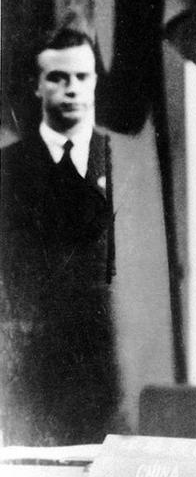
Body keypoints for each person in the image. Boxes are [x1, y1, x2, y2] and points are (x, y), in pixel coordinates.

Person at [0, 22, 119, 445]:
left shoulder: (118, 159)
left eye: (82, 77)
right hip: (32, 367)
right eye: (57, 77)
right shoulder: (8, 168)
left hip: (108, 367)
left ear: (95, 82)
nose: (71, 89)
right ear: (37, 85)